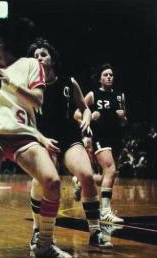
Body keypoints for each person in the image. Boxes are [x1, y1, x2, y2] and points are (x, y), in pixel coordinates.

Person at [0, 20, 72, 258]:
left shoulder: (30, 64)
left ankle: (44, 245)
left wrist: (7, 81)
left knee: (52, 182)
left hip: (24, 136)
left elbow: (38, 100)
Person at [27, 38, 113, 250]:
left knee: (85, 174)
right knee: (42, 181)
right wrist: (40, 139)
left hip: (68, 136)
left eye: (43, 54)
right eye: (35, 55)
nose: (39, 58)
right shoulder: (28, 85)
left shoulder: (68, 81)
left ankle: (95, 231)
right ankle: (38, 230)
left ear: (52, 58)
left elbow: (84, 107)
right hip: (42, 137)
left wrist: (86, 117)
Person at [73, 63, 127, 223]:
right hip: (99, 137)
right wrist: (89, 117)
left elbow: (124, 122)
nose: (109, 77)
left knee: (107, 175)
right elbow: (77, 113)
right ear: (99, 78)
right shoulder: (93, 94)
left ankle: (80, 180)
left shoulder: (120, 96)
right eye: (106, 75)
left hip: (115, 138)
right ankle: (104, 211)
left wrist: (123, 117)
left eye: (111, 75)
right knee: (111, 169)